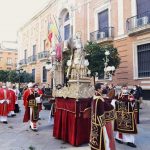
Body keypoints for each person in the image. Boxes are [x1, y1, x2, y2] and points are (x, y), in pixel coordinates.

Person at [89, 83, 116, 150]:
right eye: (102, 88)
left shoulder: (95, 96)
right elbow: (101, 112)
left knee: (95, 136)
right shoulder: (99, 99)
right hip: (100, 122)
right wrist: (102, 123)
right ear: (98, 89)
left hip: (94, 120)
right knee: (104, 138)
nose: (103, 89)